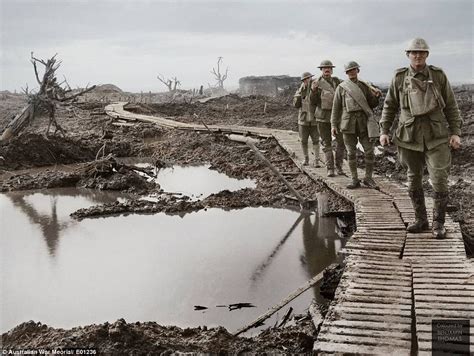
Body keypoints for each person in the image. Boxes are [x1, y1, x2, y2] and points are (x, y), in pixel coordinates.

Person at [379, 38, 461, 239]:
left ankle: (438, 224)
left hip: (436, 136)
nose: (418, 56)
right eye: (414, 53)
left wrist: (455, 131)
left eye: (422, 53)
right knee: (413, 179)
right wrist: (384, 131)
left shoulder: (438, 76)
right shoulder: (399, 78)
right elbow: (390, 106)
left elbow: (451, 105)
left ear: (427, 55)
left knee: (439, 179)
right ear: (408, 55)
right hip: (409, 137)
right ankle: (421, 220)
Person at [331, 61, 381, 189]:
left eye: (354, 70)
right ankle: (354, 179)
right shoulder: (341, 88)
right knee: (351, 152)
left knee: (369, 151)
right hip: (348, 124)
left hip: (364, 123)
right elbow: (336, 109)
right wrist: (333, 125)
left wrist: (376, 97)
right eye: (349, 71)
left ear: (358, 71)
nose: (351, 72)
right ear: (346, 73)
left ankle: (368, 178)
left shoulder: (365, 86)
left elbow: (371, 104)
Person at [311, 60, 345, 177]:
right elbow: (313, 102)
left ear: (332, 70)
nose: (327, 69)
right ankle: (330, 168)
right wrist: (314, 91)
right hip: (323, 117)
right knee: (327, 143)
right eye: (325, 68)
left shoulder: (337, 81)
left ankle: (339, 167)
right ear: (321, 70)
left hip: (337, 118)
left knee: (341, 142)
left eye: (329, 68)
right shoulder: (316, 83)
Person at [293, 72, 321, 167]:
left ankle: (317, 160)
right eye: (306, 79)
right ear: (303, 81)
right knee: (303, 140)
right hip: (303, 120)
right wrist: (298, 96)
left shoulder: (316, 89)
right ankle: (306, 159)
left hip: (314, 119)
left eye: (309, 78)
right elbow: (296, 105)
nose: (308, 80)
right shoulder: (300, 91)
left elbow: (319, 101)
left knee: (316, 140)